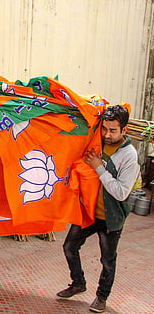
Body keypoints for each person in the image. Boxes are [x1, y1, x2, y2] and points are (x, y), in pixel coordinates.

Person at [56, 105, 140, 313]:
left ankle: (102, 297)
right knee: (69, 246)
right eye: (104, 129)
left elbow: (121, 192)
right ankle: (78, 283)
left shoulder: (129, 156)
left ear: (124, 130)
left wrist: (98, 166)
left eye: (113, 131)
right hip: (89, 212)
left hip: (110, 217)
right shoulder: (96, 141)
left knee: (107, 260)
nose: (107, 134)